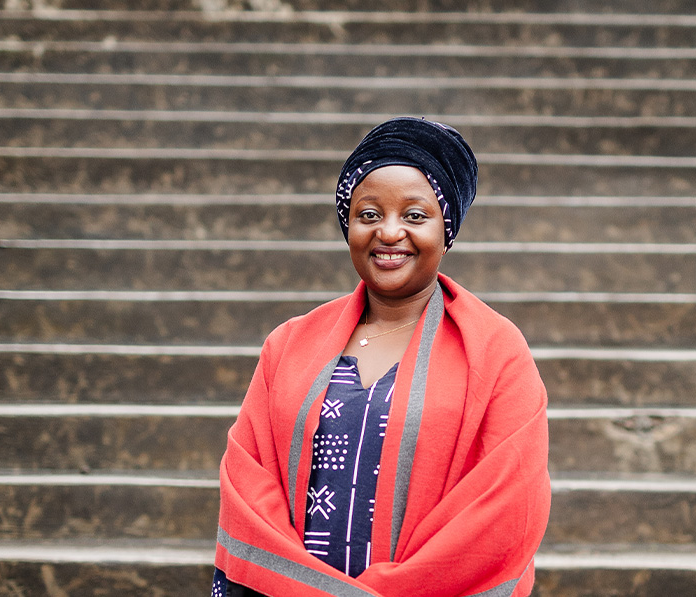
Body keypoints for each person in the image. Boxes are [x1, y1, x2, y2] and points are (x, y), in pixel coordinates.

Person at [213, 117, 551, 596]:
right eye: (368, 214)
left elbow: (505, 507)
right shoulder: (289, 345)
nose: (389, 233)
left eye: (415, 215)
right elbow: (248, 486)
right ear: (347, 224)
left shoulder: (496, 353)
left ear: (447, 227)